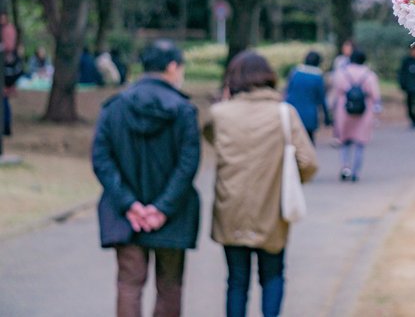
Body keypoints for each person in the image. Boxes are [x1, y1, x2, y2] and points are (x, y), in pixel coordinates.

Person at [91, 39, 200, 317]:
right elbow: (187, 165)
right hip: (173, 214)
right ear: (172, 67)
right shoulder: (184, 110)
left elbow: (102, 160)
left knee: (129, 284)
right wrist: (162, 208)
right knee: (170, 285)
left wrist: (130, 204)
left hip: (125, 215)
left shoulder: (114, 107)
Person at [205, 51, 318, 317]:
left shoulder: (219, 114)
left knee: (236, 281)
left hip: (230, 209)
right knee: (272, 276)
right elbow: (309, 162)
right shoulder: (284, 114)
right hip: (272, 209)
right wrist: (288, 179)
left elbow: (211, 138)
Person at [332, 49, 380, 182]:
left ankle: (345, 167)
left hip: (344, 110)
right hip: (364, 111)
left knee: (345, 141)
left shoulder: (341, 73)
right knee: (360, 143)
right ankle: (355, 172)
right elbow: (375, 95)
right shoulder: (369, 75)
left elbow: (336, 91)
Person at [285, 51, 331, 145]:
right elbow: (321, 98)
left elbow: (288, 91)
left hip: (291, 112)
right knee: (308, 144)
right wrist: (327, 116)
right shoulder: (317, 77)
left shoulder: (295, 72)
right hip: (309, 116)